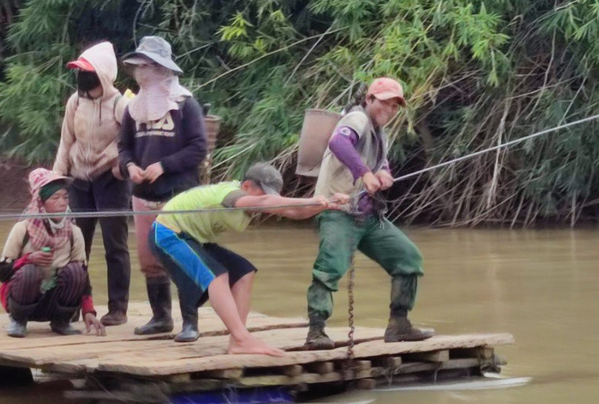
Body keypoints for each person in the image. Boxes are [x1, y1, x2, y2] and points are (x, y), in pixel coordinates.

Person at [149, 162, 349, 356]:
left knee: (244, 272)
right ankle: (242, 338)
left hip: (195, 238)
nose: (267, 201)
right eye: (264, 194)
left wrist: (326, 204)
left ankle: (237, 341)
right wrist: (311, 200)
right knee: (217, 277)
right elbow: (265, 203)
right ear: (246, 186)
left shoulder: (254, 199)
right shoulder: (230, 195)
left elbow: (293, 211)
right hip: (169, 233)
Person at [298, 76, 433, 349]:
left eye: (395, 106)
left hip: (369, 216)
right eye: (385, 103)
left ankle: (399, 324)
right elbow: (339, 143)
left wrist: (383, 174)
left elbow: (382, 164)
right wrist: (365, 173)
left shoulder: (379, 132)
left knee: (409, 259)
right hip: (339, 211)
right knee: (329, 269)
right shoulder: (357, 119)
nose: (390, 110)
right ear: (369, 100)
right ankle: (316, 331)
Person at [117, 35, 209, 338]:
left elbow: (199, 148)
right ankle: (160, 317)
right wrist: (130, 166)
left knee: (181, 256)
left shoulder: (185, 104)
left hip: (178, 192)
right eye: (138, 67)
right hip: (143, 194)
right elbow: (124, 147)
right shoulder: (132, 109)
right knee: (148, 257)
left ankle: (190, 322)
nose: (142, 73)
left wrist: (164, 165)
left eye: (148, 66)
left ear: (162, 69)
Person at [51, 40, 132, 327]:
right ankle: (75, 305)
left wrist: (115, 160)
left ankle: (118, 309)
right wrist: (54, 183)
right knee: (75, 246)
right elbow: (66, 142)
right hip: (79, 181)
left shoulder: (122, 105)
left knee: (115, 246)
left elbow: (130, 144)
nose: (84, 82)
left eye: (90, 76)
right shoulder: (75, 102)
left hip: (111, 181)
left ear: (104, 75)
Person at [0, 169, 103, 338]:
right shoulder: (22, 229)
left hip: (55, 299)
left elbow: (83, 275)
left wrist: (89, 311)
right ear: (41, 202)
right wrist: (27, 259)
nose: (63, 203)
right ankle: (18, 321)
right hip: (25, 295)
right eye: (55, 198)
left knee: (76, 271)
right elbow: (1, 272)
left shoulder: (74, 232)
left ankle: (61, 321)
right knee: (29, 272)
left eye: (65, 197)